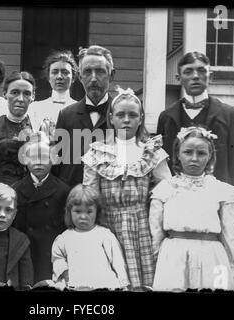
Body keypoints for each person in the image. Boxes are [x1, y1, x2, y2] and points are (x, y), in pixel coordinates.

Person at [82, 87, 171, 291]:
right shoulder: (98, 152)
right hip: (107, 227)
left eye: (132, 115)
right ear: (111, 118)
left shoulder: (151, 152)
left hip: (142, 229)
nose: (126, 120)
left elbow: (167, 193)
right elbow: (89, 197)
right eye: (121, 115)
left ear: (140, 118)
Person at [149, 126, 234, 292]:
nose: (194, 158)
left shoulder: (220, 190)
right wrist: (159, 259)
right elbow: (155, 231)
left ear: (210, 156)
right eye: (188, 152)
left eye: (201, 153)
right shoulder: (165, 189)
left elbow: (232, 235)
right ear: (178, 154)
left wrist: (233, 269)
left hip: (212, 257)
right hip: (173, 257)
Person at [156, 51, 234, 216]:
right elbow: (162, 168)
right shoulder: (167, 117)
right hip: (176, 206)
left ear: (210, 76)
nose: (195, 76)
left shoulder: (229, 115)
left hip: (216, 207)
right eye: (188, 71)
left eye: (201, 71)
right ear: (178, 78)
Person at [53, 45, 116, 188]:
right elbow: (57, 165)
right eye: (87, 72)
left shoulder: (121, 115)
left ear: (111, 75)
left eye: (100, 72)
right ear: (80, 76)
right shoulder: (66, 115)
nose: (93, 79)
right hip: (73, 200)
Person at [13, 132, 70, 284]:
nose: (38, 162)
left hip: (51, 256)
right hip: (25, 255)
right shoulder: (15, 191)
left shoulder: (63, 191)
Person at [51, 184, 129, 291]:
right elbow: (57, 258)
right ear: (69, 211)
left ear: (97, 212)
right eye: (78, 211)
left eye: (89, 212)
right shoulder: (64, 238)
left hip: (102, 285)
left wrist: (123, 283)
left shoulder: (105, 235)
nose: (83, 216)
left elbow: (118, 261)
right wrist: (65, 272)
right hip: (75, 284)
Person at [28, 50, 78, 138]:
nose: (59, 77)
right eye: (55, 72)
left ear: (73, 78)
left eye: (65, 72)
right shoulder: (35, 108)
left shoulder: (81, 108)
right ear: (48, 77)